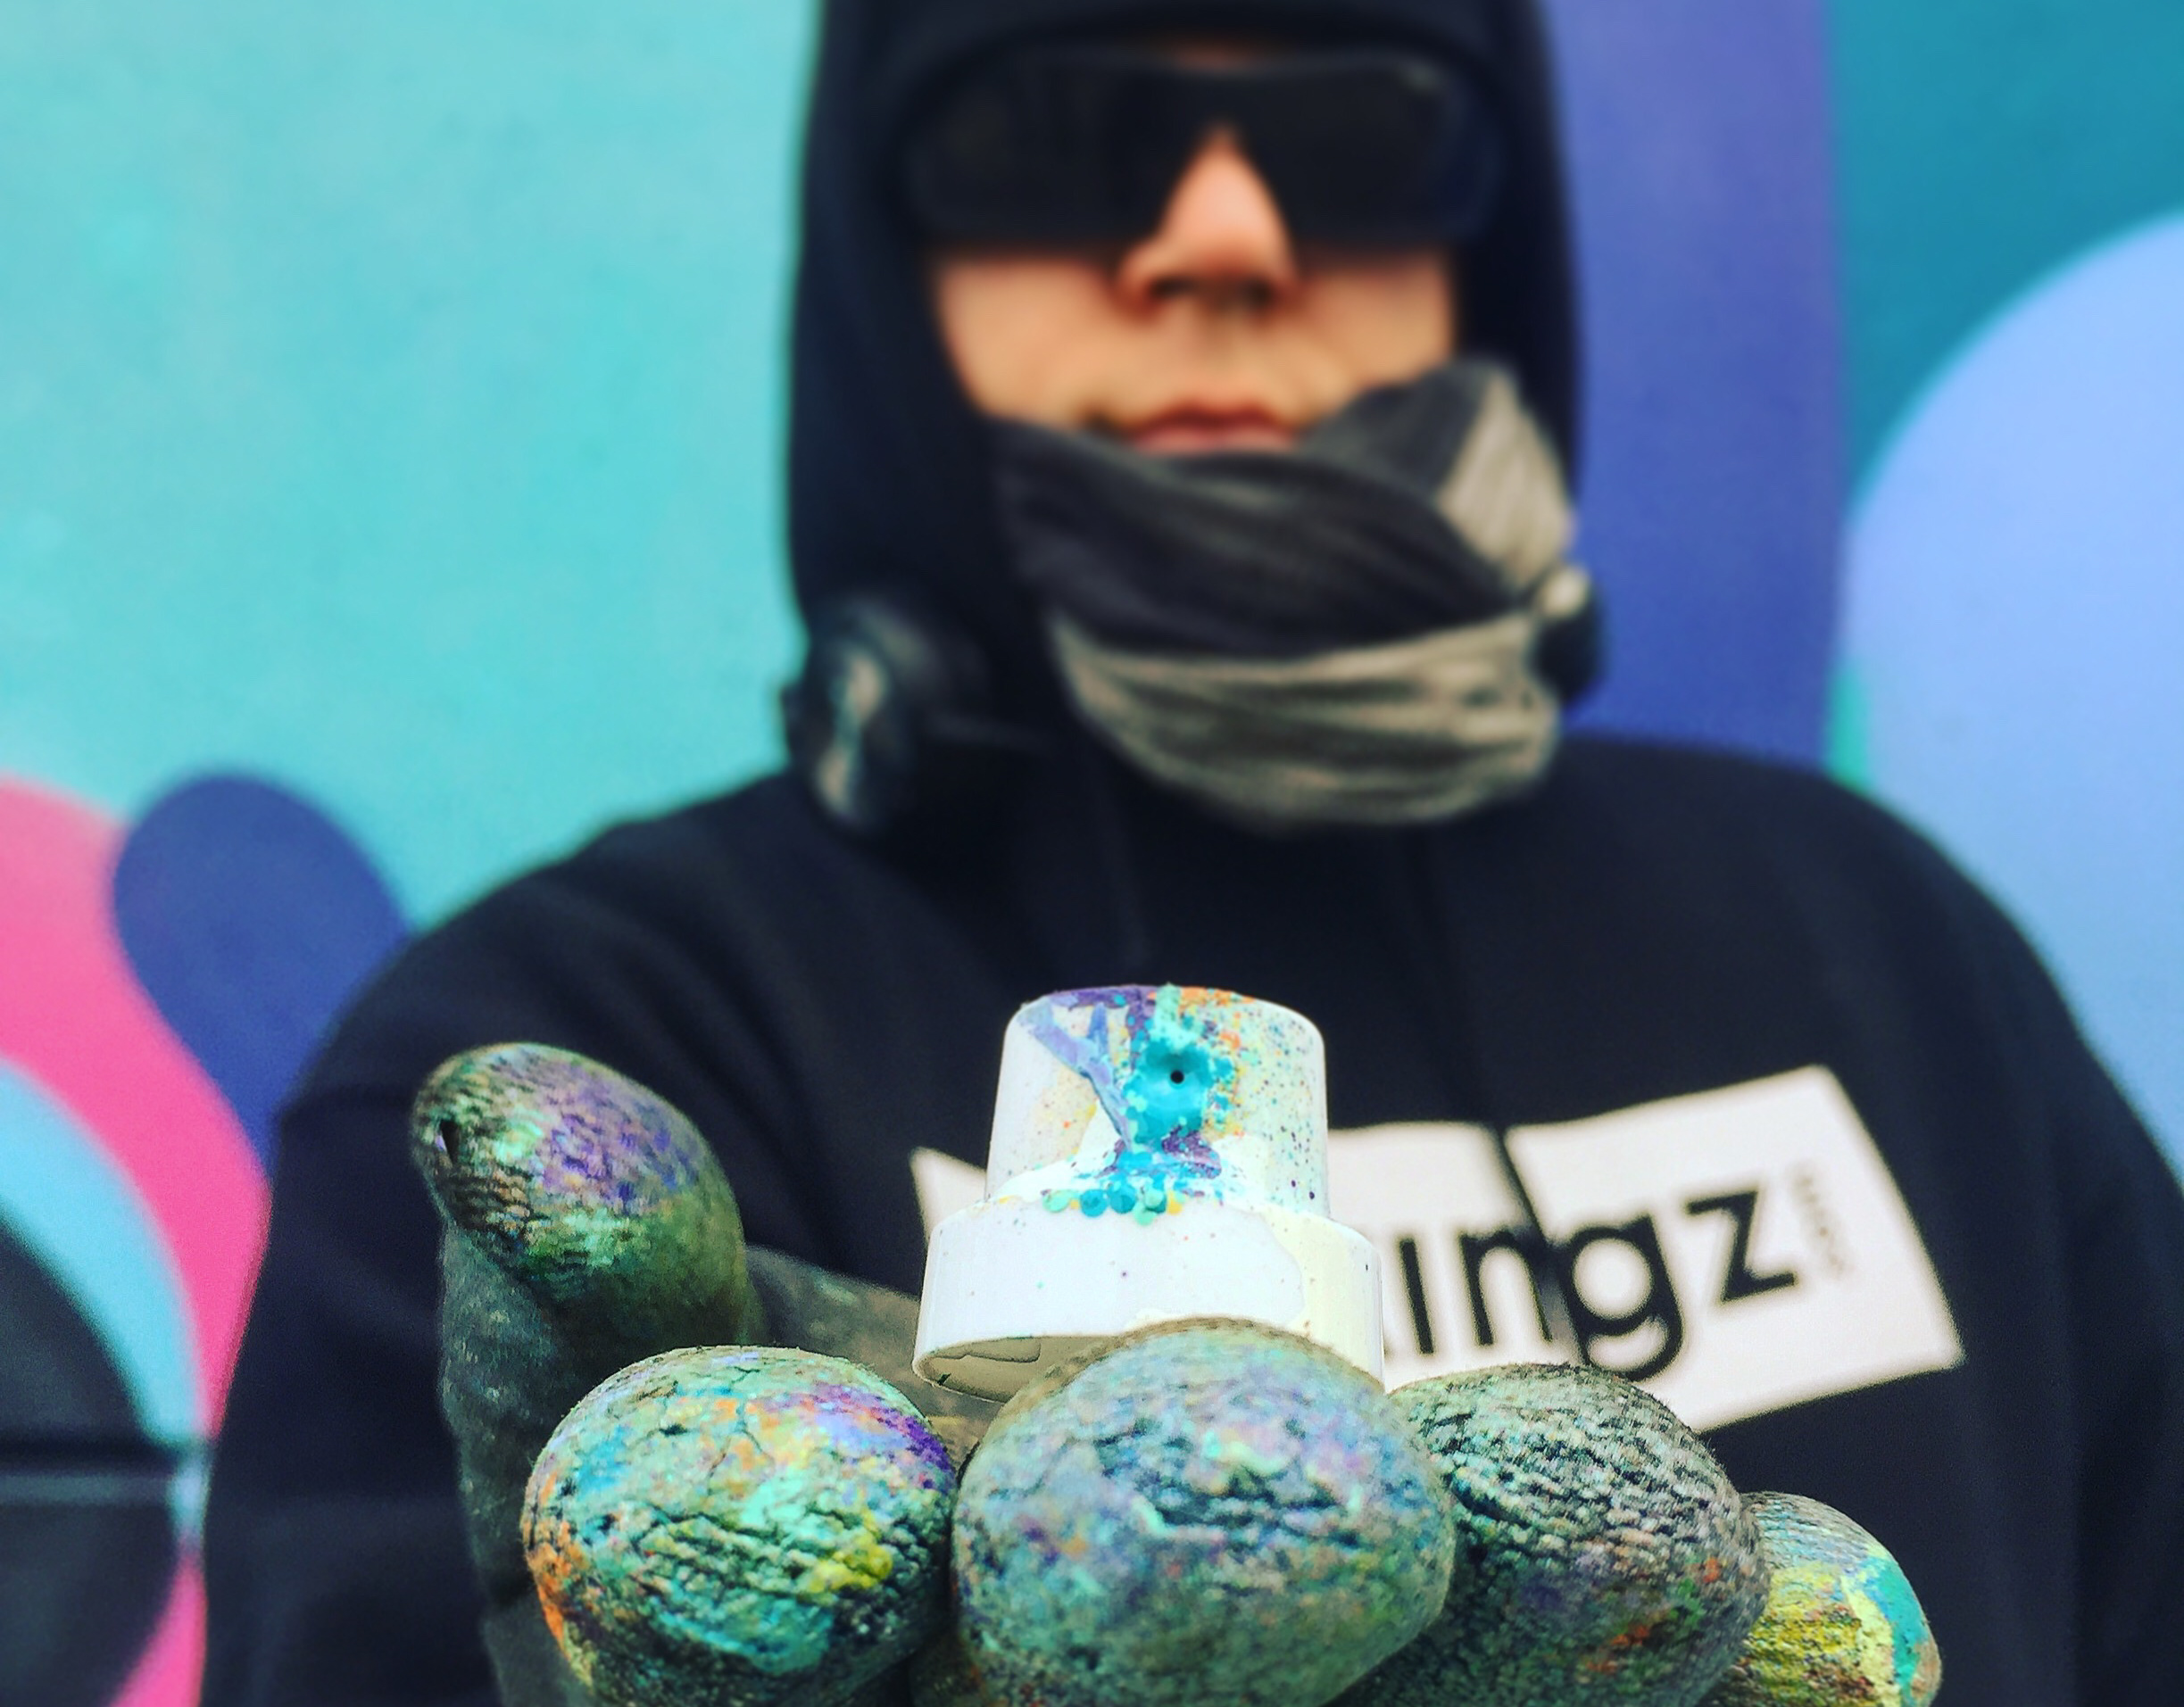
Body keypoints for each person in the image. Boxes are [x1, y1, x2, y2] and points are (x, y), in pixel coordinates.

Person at [202, 0, 2184, 1703]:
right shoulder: (607, 1028)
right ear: (887, 248)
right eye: (1059, 135)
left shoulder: (1880, 947)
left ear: (1489, 241)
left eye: (1358, 136)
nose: (1223, 235)